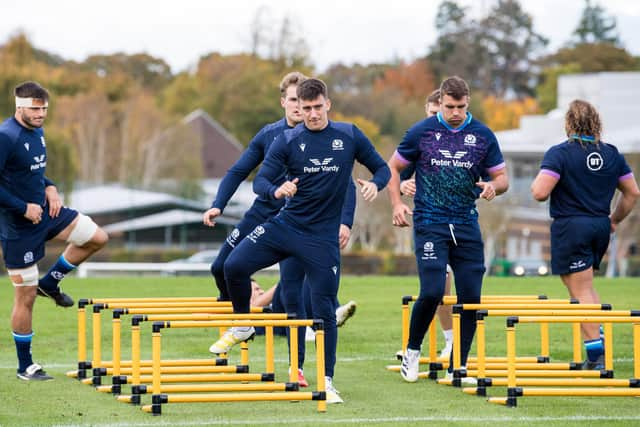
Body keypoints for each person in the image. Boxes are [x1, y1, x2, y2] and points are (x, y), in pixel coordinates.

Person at [210, 78, 390, 403]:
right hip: (286, 226)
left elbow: (382, 168)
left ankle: (327, 381)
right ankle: (242, 324)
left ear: (327, 104)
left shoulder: (349, 135)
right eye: (305, 108)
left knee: (322, 309)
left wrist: (375, 185)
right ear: (297, 108)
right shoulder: (287, 140)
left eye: (317, 107)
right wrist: (275, 190)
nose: (312, 114)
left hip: (321, 239)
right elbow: (260, 180)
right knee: (232, 266)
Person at [388, 76, 508, 383]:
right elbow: (393, 167)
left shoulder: (482, 135)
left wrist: (493, 187)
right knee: (431, 292)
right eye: (449, 106)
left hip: (467, 223)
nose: (455, 112)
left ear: (468, 102)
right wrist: (397, 203)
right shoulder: (422, 132)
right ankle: (412, 352)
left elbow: (502, 178)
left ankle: (459, 364)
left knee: (470, 298)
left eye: (461, 106)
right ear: (440, 102)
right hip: (430, 222)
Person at [0, 81, 108, 381]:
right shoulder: (5, 136)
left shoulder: (38, 132)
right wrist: (23, 207)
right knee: (25, 298)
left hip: (47, 212)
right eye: (35, 109)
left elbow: (31, 170)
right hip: (17, 228)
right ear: (19, 106)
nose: (41, 114)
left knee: (97, 237)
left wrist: (51, 187)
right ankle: (25, 366)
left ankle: (52, 281)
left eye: (44, 108)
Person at [531, 99, 639, 369]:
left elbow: (540, 192)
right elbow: (633, 192)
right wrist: (614, 219)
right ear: (596, 123)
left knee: (580, 290)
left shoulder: (560, 153)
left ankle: (597, 355)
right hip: (600, 225)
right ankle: (595, 346)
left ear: (568, 123)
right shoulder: (612, 153)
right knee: (582, 287)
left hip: (571, 226)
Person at [399, 88, 454, 359]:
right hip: (427, 221)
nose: (436, 118)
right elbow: (398, 174)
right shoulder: (418, 136)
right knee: (435, 285)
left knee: (444, 284)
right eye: (432, 113)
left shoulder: (460, 138)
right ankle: (440, 341)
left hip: (456, 220)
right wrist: (402, 185)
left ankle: (452, 341)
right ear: (426, 110)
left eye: (439, 113)